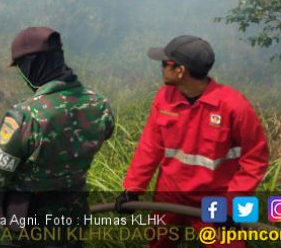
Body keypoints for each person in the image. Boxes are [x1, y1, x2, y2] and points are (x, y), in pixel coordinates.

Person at [115, 35, 269, 248]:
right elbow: (150, 146)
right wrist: (132, 189)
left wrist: (232, 206)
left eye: (165, 64)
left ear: (180, 71)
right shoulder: (165, 97)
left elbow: (255, 160)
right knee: (158, 243)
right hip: (169, 196)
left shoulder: (233, 106)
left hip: (215, 199)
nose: (161, 68)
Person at [0, 27, 115, 245]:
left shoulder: (25, 115)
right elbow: (89, 142)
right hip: (71, 219)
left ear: (30, 66)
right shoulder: (100, 105)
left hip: (25, 223)